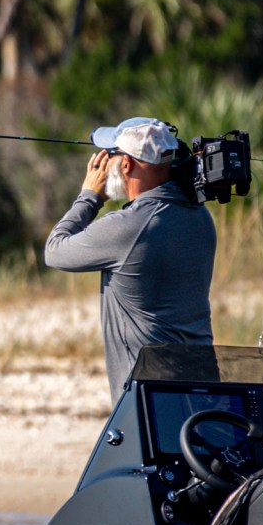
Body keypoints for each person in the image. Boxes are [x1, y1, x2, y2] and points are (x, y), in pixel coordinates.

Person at [44, 117, 216, 404]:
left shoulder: (128, 226)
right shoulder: (201, 217)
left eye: (109, 154)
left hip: (150, 399)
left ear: (126, 165)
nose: (103, 162)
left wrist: (89, 196)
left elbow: (54, 250)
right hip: (206, 390)